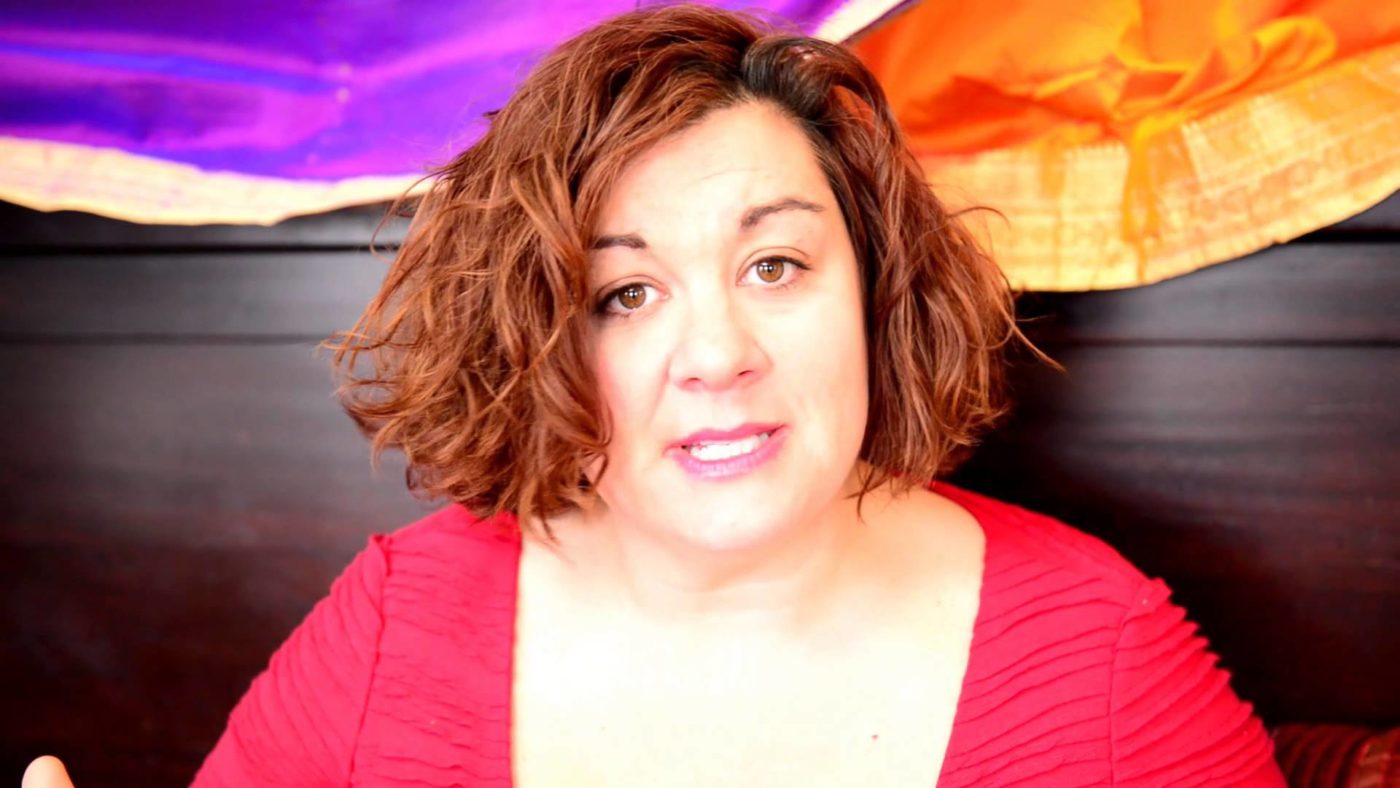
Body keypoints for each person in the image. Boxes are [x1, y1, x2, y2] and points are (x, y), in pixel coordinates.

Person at [24, 5, 1287, 786]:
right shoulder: (393, 622)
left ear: (872, 289)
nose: (716, 352)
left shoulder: (1105, 662)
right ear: (540, 341)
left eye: (774, 264)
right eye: (623, 293)